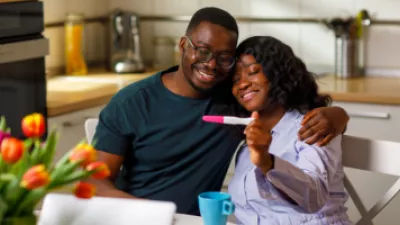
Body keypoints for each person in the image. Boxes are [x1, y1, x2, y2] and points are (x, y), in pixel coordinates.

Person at [90, 7, 349, 216]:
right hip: (133, 218)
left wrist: (337, 115)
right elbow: (93, 181)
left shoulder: (233, 99)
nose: (211, 64)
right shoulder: (132, 102)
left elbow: (281, 106)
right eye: (201, 51)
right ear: (183, 45)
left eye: (224, 58)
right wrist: (154, 214)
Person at [228, 35, 352, 224]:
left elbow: (314, 197)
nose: (242, 84)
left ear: (277, 74)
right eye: (235, 80)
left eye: (253, 72)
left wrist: (267, 162)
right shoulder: (246, 145)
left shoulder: (313, 125)